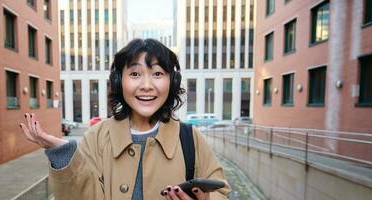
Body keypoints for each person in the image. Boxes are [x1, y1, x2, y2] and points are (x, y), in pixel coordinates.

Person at [20, 39, 230, 200]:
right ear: (119, 81)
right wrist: (64, 154)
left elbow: (222, 191)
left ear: (172, 82)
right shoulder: (97, 137)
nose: (147, 85)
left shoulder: (191, 138)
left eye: (157, 74)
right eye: (135, 74)